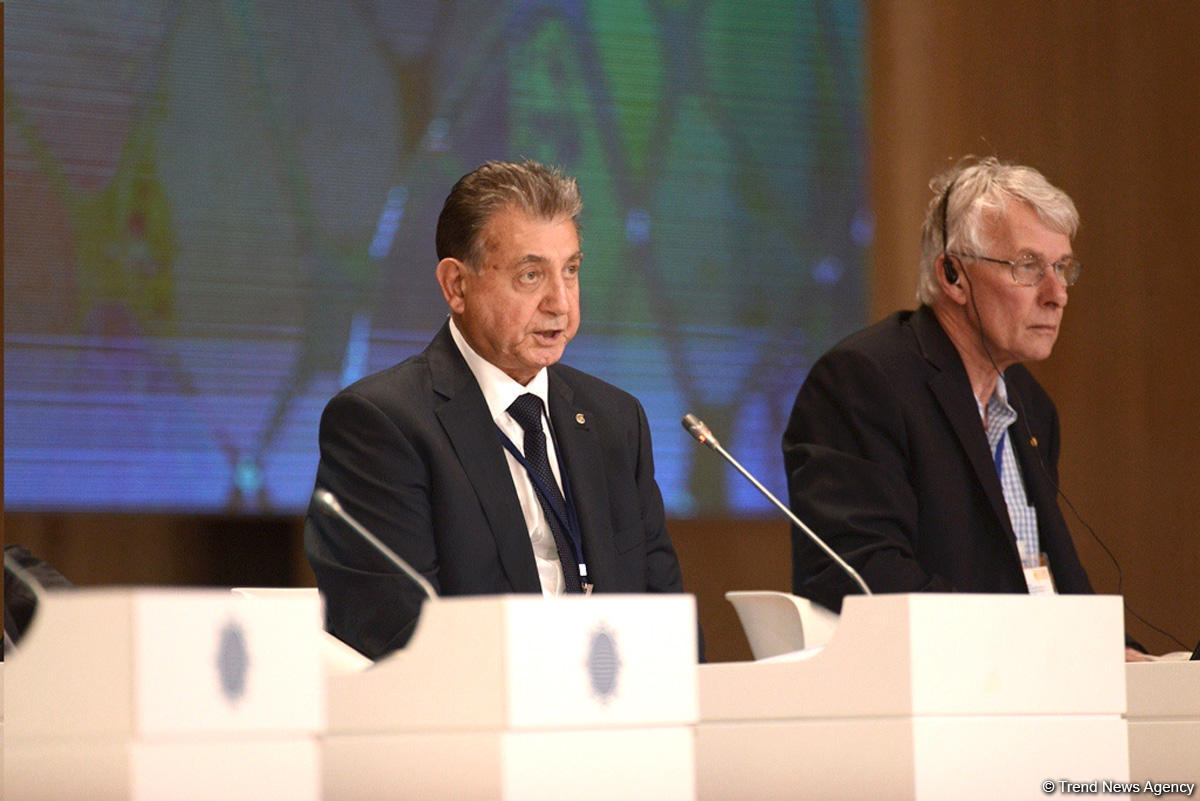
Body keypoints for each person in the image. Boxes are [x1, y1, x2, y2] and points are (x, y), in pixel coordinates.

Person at [305, 160, 689, 660]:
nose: (561, 304)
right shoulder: (383, 424)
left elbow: (666, 619)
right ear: (456, 286)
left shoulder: (615, 420)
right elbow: (395, 634)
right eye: (531, 275)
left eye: (570, 271)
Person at [783, 156, 1101, 616]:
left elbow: (1043, 577)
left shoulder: (1032, 406)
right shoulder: (864, 381)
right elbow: (863, 572)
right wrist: (1014, 643)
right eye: (1029, 267)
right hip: (925, 679)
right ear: (953, 276)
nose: (1057, 294)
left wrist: (1111, 648)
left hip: (1024, 672)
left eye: (1063, 267)